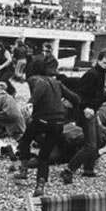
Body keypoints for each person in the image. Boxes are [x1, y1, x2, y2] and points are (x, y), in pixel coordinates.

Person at [14, 60, 80, 196]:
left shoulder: (34, 79)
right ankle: (40, 185)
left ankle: (24, 170)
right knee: (44, 155)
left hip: (42, 120)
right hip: (58, 123)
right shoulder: (57, 82)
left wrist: (31, 103)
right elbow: (75, 98)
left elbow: (41, 87)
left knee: (25, 140)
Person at [60, 48, 106, 184]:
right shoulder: (92, 74)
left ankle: (88, 168)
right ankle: (68, 170)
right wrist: (86, 108)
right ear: (98, 60)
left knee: (97, 139)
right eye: (105, 63)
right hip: (85, 112)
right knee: (90, 144)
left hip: (92, 110)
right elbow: (79, 95)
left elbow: (96, 95)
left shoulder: (101, 73)